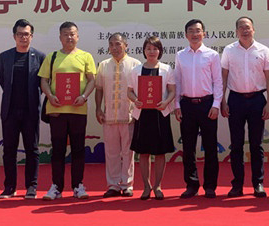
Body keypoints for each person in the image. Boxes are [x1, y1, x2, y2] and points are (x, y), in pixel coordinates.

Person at [39, 22, 96, 200]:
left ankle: (78, 185)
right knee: (57, 149)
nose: (69, 37)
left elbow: (92, 80)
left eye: (72, 34)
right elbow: (44, 80)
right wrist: (50, 96)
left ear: (77, 36)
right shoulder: (52, 57)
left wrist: (84, 96)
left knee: (78, 149)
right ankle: (56, 186)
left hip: (78, 110)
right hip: (57, 110)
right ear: (60, 37)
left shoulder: (86, 56)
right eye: (65, 34)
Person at [221, 16, 269, 198]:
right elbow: (223, 77)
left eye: (248, 27)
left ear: (253, 29)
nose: (245, 30)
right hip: (235, 99)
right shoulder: (229, 50)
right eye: (241, 27)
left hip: (257, 99)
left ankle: (258, 183)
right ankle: (237, 184)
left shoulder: (263, 50)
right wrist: (223, 101)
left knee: (256, 144)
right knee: (236, 145)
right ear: (236, 31)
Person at [0, 19, 46, 199]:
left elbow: (43, 83)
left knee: (32, 149)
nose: (23, 37)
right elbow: (2, 79)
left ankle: (31, 187)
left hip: (30, 111)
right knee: (9, 150)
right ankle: (10, 187)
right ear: (14, 36)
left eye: (26, 34)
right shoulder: (5, 57)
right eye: (20, 34)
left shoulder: (39, 57)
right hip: (10, 111)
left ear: (31, 36)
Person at [174, 19, 222, 199]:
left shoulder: (212, 55)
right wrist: (177, 105)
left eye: (198, 30)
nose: (195, 34)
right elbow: (177, 81)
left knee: (210, 147)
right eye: (191, 31)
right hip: (187, 104)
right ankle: (191, 185)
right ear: (186, 35)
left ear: (204, 33)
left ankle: (210, 186)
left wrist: (216, 105)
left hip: (207, 104)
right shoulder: (180, 55)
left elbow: (218, 81)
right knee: (188, 148)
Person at [127, 36, 176, 200]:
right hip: (143, 114)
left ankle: (158, 186)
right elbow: (129, 91)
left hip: (160, 114)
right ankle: (146, 186)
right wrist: (135, 100)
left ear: (160, 51)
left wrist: (166, 102)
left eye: (155, 48)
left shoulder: (166, 69)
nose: (152, 51)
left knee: (160, 152)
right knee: (144, 152)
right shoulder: (136, 70)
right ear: (144, 51)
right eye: (148, 48)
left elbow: (172, 91)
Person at [95, 33, 141, 197]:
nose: (114, 48)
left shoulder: (135, 64)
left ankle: (127, 185)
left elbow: (140, 90)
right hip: (109, 116)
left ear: (125, 45)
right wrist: (98, 109)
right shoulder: (103, 65)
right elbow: (99, 89)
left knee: (128, 152)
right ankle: (113, 185)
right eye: (111, 44)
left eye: (118, 44)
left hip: (128, 116)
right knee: (111, 152)